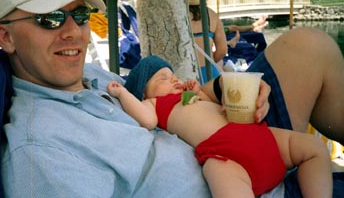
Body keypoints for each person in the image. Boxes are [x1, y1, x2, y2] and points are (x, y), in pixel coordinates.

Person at [0, 0, 344, 197]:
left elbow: (168, 97)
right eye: (50, 19)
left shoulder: (89, 76)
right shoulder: (42, 150)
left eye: (80, 15)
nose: (73, 32)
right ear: (6, 37)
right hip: (236, 179)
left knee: (308, 45)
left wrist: (218, 90)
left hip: (246, 139)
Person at [108, 55, 332, 197]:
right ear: (144, 92)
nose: (174, 79)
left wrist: (197, 92)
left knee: (313, 147)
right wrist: (123, 93)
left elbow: (215, 93)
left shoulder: (192, 95)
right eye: (163, 78)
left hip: (259, 135)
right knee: (220, 176)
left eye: (173, 74)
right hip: (228, 157)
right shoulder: (153, 104)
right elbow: (147, 121)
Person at [186, 0, 227, 83]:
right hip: (210, 72)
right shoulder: (212, 16)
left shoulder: (176, 17)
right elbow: (222, 50)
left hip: (185, 74)